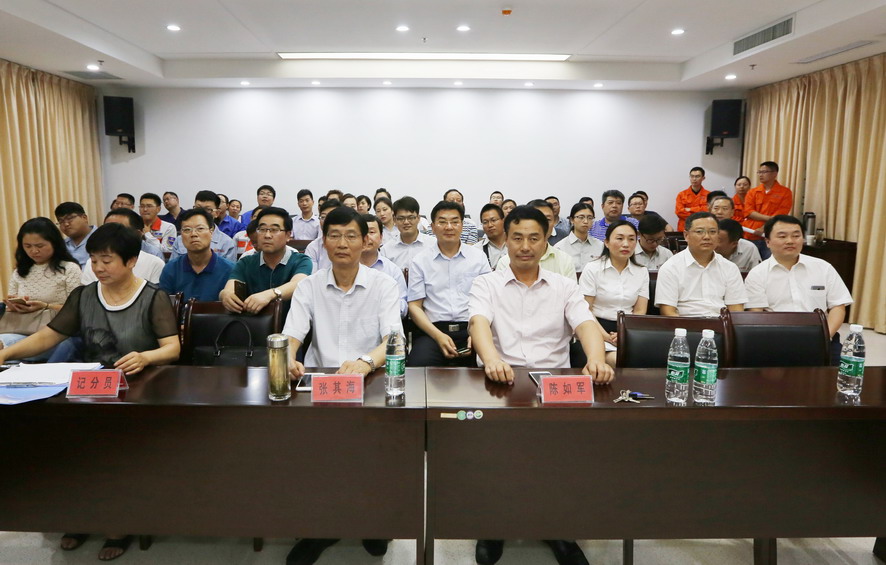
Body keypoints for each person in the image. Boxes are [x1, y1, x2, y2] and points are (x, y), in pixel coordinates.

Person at [0, 222, 180, 561]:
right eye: (94, 260)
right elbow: (50, 335)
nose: (98, 267)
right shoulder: (84, 295)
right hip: (91, 386)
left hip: (137, 390)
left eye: (106, 260)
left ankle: (118, 525)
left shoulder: (153, 297)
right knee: (71, 451)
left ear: (130, 261)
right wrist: (7, 353)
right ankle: (80, 517)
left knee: (117, 453)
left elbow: (172, 347)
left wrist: (145, 357)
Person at [469, 205, 613, 565]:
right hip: (501, 383)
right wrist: (492, 359)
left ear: (546, 240)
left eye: (534, 238)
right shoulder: (486, 283)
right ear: (506, 239)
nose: (525, 246)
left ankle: (558, 528)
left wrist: (595, 358)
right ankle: (493, 527)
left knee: (557, 463)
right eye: (517, 237)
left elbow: (585, 324)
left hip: (553, 386)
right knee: (497, 462)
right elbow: (478, 323)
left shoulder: (564, 286)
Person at [282, 207, 402, 565]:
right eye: (334, 235)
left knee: (373, 460)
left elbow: (394, 342)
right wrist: (288, 357)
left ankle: (373, 523)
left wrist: (365, 362)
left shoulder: (383, 284)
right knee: (319, 462)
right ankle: (320, 528)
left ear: (366, 241)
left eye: (351, 235)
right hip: (323, 386)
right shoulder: (309, 285)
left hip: (370, 383)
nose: (343, 243)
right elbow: (292, 335)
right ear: (324, 241)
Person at [745, 215, 852, 364]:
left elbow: (838, 307)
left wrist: (824, 337)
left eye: (796, 236)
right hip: (775, 339)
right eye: (782, 236)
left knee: (843, 371)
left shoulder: (823, 267)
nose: (790, 241)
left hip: (821, 336)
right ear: (767, 242)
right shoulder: (757, 274)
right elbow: (756, 315)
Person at [406, 201, 491, 366]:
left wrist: (479, 333)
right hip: (433, 331)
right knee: (417, 366)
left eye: (454, 221)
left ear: (462, 225)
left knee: (490, 367)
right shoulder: (420, 261)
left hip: (472, 328)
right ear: (432, 227)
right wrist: (438, 336)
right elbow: (415, 306)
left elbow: (488, 300)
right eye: (442, 222)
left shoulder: (478, 257)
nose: (449, 227)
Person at [0, 218, 81, 358]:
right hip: (23, 329)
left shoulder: (69, 269)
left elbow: (78, 310)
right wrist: (14, 306)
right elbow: (11, 304)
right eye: (27, 246)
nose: (34, 251)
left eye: (40, 245)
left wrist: (45, 306)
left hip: (58, 333)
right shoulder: (20, 271)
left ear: (54, 243)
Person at [220, 206, 312, 315]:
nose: (267, 235)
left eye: (274, 230)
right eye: (262, 229)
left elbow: (297, 284)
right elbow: (231, 287)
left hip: (290, 323)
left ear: (288, 235)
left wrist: (270, 294)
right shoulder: (246, 262)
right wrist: (225, 294)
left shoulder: (301, 260)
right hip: (252, 323)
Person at [655, 212, 747, 317]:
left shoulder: (730, 268)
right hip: (685, 323)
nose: (707, 237)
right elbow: (668, 312)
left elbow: (736, 310)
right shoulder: (671, 267)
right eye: (699, 232)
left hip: (720, 323)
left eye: (712, 232)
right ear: (686, 235)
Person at [579, 220, 649, 337]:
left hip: (629, 328)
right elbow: (586, 309)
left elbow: (640, 311)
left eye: (631, 239)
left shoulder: (642, 272)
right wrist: (606, 336)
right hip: (595, 326)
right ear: (606, 242)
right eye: (619, 238)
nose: (626, 244)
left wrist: (624, 334)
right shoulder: (592, 268)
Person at [159, 209, 235, 302]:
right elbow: (164, 305)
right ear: (181, 235)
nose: (193, 234)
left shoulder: (230, 269)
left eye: (200, 229)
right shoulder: (171, 269)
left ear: (211, 232)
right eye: (187, 230)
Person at [82, 209, 166, 284]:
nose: (98, 269)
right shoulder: (91, 263)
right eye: (107, 229)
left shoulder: (154, 263)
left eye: (106, 261)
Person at [496, 200, 575, 277]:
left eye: (547, 220)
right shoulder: (505, 262)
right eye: (518, 238)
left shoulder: (565, 261)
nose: (542, 224)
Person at [743, 161, 793, 259]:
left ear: (774, 174)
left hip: (771, 236)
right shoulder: (752, 192)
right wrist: (770, 218)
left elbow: (780, 215)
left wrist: (764, 228)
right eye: (759, 172)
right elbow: (749, 212)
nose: (760, 175)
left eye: (764, 172)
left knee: (769, 263)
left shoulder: (785, 192)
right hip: (750, 234)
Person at [361, 213, 408, 317]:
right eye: (362, 232)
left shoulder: (392, 270)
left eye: (371, 232)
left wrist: (382, 304)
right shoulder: (345, 268)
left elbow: (403, 307)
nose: (367, 237)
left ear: (381, 237)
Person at [169, 191, 237, 262]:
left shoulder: (227, 243)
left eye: (208, 210)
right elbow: (173, 267)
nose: (201, 213)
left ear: (217, 213)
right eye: (198, 208)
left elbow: (228, 268)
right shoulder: (180, 240)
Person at [380, 196, 434, 270]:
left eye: (411, 217)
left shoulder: (433, 244)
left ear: (418, 218)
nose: (406, 222)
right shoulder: (386, 250)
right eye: (401, 218)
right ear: (394, 220)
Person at [554, 201, 604, 273]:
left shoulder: (600, 246)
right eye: (581, 217)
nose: (586, 221)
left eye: (590, 218)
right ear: (572, 220)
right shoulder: (560, 248)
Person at [55, 202, 96, 268]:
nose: (66, 224)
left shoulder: (103, 238)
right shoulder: (62, 246)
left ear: (84, 218)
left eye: (70, 218)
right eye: (61, 221)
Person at [305, 198, 341, 272]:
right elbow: (311, 276)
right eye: (323, 217)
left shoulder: (349, 245)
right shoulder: (313, 247)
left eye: (331, 217)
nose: (327, 221)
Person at [674, 166, 710, 232]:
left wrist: (690, 209)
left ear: (703, 178)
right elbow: (679, 212)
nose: (694, 179)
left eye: (697, 176)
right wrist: (700, 211)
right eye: (692, 176)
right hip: (685, 228)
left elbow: (708, 211)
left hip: (703, 228)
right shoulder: (681, 194)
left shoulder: (709, 195)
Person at [476, 203, 507, 269]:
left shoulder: (517, 244)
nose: (490, 225)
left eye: (493, 220)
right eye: (485, 222)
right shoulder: (477, 250)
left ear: (503, 221)